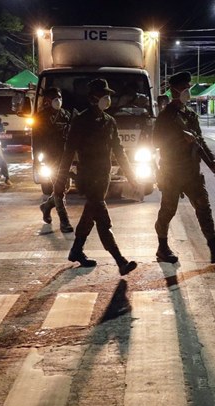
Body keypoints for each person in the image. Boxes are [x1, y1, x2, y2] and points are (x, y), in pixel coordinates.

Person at [54, 78, 137, 276]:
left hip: (103, 178)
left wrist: (131, 176)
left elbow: (119, 151)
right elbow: (68, 152)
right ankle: (120, 261)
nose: (108, 99)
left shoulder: (110, 121)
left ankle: (76, 250)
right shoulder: (80, 121)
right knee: (102, 219)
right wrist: (60, 180)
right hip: (88, 178)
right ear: (93, 97)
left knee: (90, 216)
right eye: (104, 95)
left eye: (108, 95)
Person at [153, 71, 215, 264]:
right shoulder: (166, 116)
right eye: (184, 88)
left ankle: (214, 249)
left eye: (188, 88)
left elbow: (200, 142)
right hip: (172, 172)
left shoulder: (190, 115)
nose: (187, 91)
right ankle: (162, 247)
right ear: (174, 90)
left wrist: (212, 161)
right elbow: (155, 141)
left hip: (191, 173)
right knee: (167, 211)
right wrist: (179, 138)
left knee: (204, 209)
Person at [35, 87, 73, 233]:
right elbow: (37, 140)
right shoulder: (40, 118)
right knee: (58, 188)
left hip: (65, 157)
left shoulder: (66, 115)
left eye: (60, 97)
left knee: (64, 188)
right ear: (47, 101)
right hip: (50, 157)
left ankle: (46, 206)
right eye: (55, 98)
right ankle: (64, 221)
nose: (58, 101)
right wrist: (39, 160)